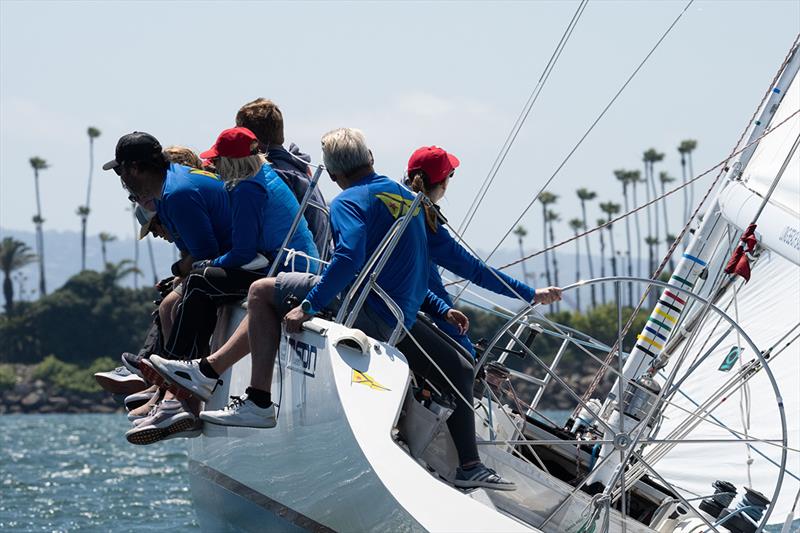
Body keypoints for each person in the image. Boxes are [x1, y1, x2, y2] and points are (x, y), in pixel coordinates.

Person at [157, 128, 516, 491]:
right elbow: (413, 270)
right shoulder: (405, 197)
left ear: (330, 174)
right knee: (459, 363)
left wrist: (309, 306)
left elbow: (347, 258)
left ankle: (255, 398)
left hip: (370, 311)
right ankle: (470, 465)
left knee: (262, 291)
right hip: (398, 316)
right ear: (371, 156)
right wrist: (458, 305)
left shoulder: (346, 202)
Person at [148, 126, 318, 381]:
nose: (214, 165)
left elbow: (242, 253)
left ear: (231, 162)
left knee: (199, 281)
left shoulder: (247, 190)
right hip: (290, 265)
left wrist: (207, 263)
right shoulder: (263, 174)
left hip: (281, 270)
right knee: (204, 282)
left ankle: (175, 367)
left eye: (218, 160)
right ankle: (184, 368)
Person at [103, 132, 234, 444]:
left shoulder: (177, 194)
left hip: (248, 263)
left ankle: (178, 398)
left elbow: (205, 256)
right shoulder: (171, 186)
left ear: (134, 169)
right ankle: (174, 398)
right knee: (175, 300)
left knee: (187, 296)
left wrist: (179, 276)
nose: (122, 180)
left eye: (121, 172)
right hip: (233, 262)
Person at [405, 146, 562, 358]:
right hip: (403, 318)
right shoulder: (428, 227)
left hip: (373, 304)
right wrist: (532, 294)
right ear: (443, 183)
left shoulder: (389, 202)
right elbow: (477, 271)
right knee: (469, 364)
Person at [235, 98, 330, 256]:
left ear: (252, 141)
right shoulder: (300, 167)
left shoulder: (273, 175)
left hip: (296, 265)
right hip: (320, 260)